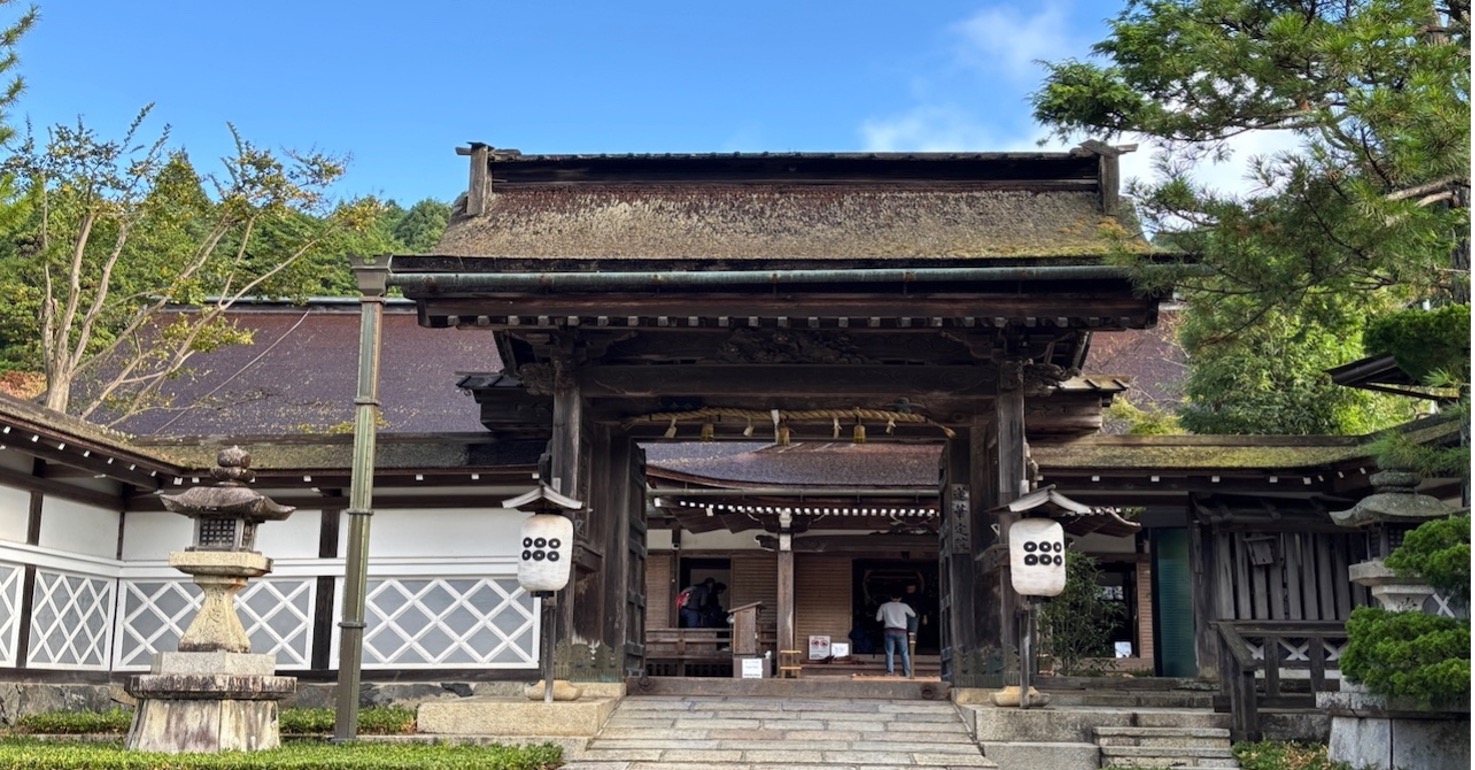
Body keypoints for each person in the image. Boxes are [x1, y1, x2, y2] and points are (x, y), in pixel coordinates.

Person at [876, 592, 917, 677]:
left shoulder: (884, 606)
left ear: (890, 597)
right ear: (900, 598)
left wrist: (886, 617)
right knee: (904, 653)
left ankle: (890, 672)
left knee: (889, 652)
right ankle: (907, 673)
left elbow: (878, 619)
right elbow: (913, 615)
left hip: (889, 630)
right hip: (901, 631)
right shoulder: (904, 606)